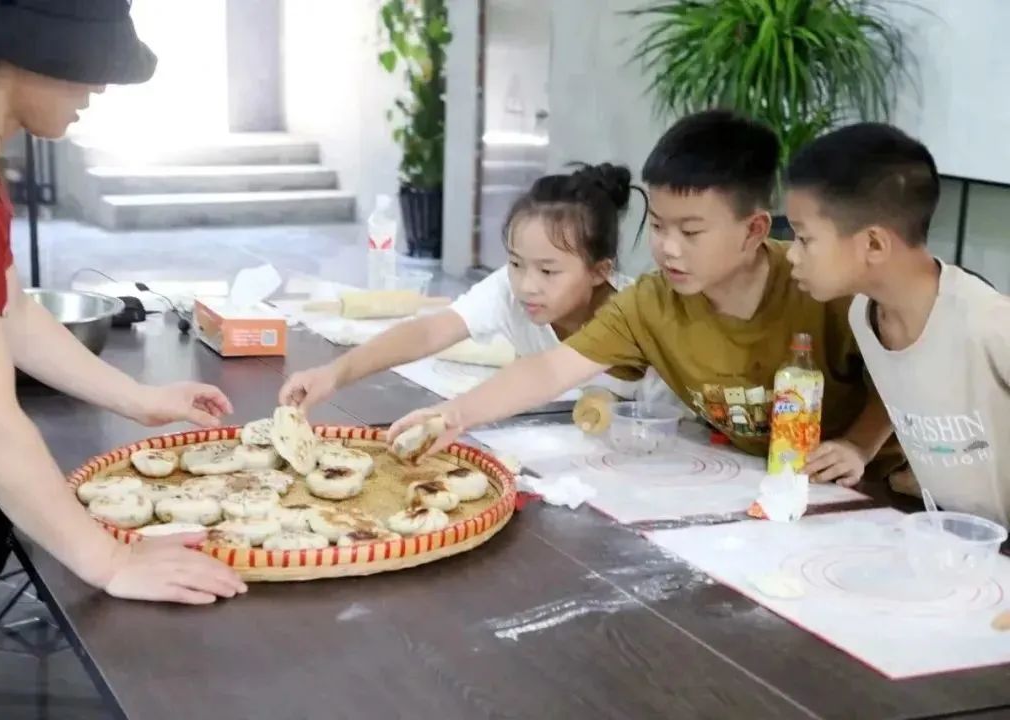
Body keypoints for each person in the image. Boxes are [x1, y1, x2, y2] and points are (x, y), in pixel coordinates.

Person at [0, 1, 246, 716]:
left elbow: (10, 311)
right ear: (19, 52)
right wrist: (110, 559)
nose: (98, 88)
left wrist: (138, 399)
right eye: (89, 67)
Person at [387, 110, 901, 486]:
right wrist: (453, 416)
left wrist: (859, 445)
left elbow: (903, 367)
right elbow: (548, 371)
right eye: (657, 225)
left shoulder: (820, 283)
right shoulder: (651, 303)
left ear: (753, 230)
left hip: (874, 483)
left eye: (691, 232)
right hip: (768, 481)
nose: (668, 248)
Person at [279, 163, 669, 410]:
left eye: (549, 271)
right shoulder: (507, 292)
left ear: (600, 271)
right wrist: (334, 374)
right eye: (516, 263)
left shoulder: (638, 313)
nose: (527, 285)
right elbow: (429, 331)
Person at [784, 122, 1010, 524]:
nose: (791, 254)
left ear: (873, 243)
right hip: (952, 536)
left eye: (804, 239)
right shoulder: (863, 315)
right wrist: (859, 446)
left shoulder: (987, 322)